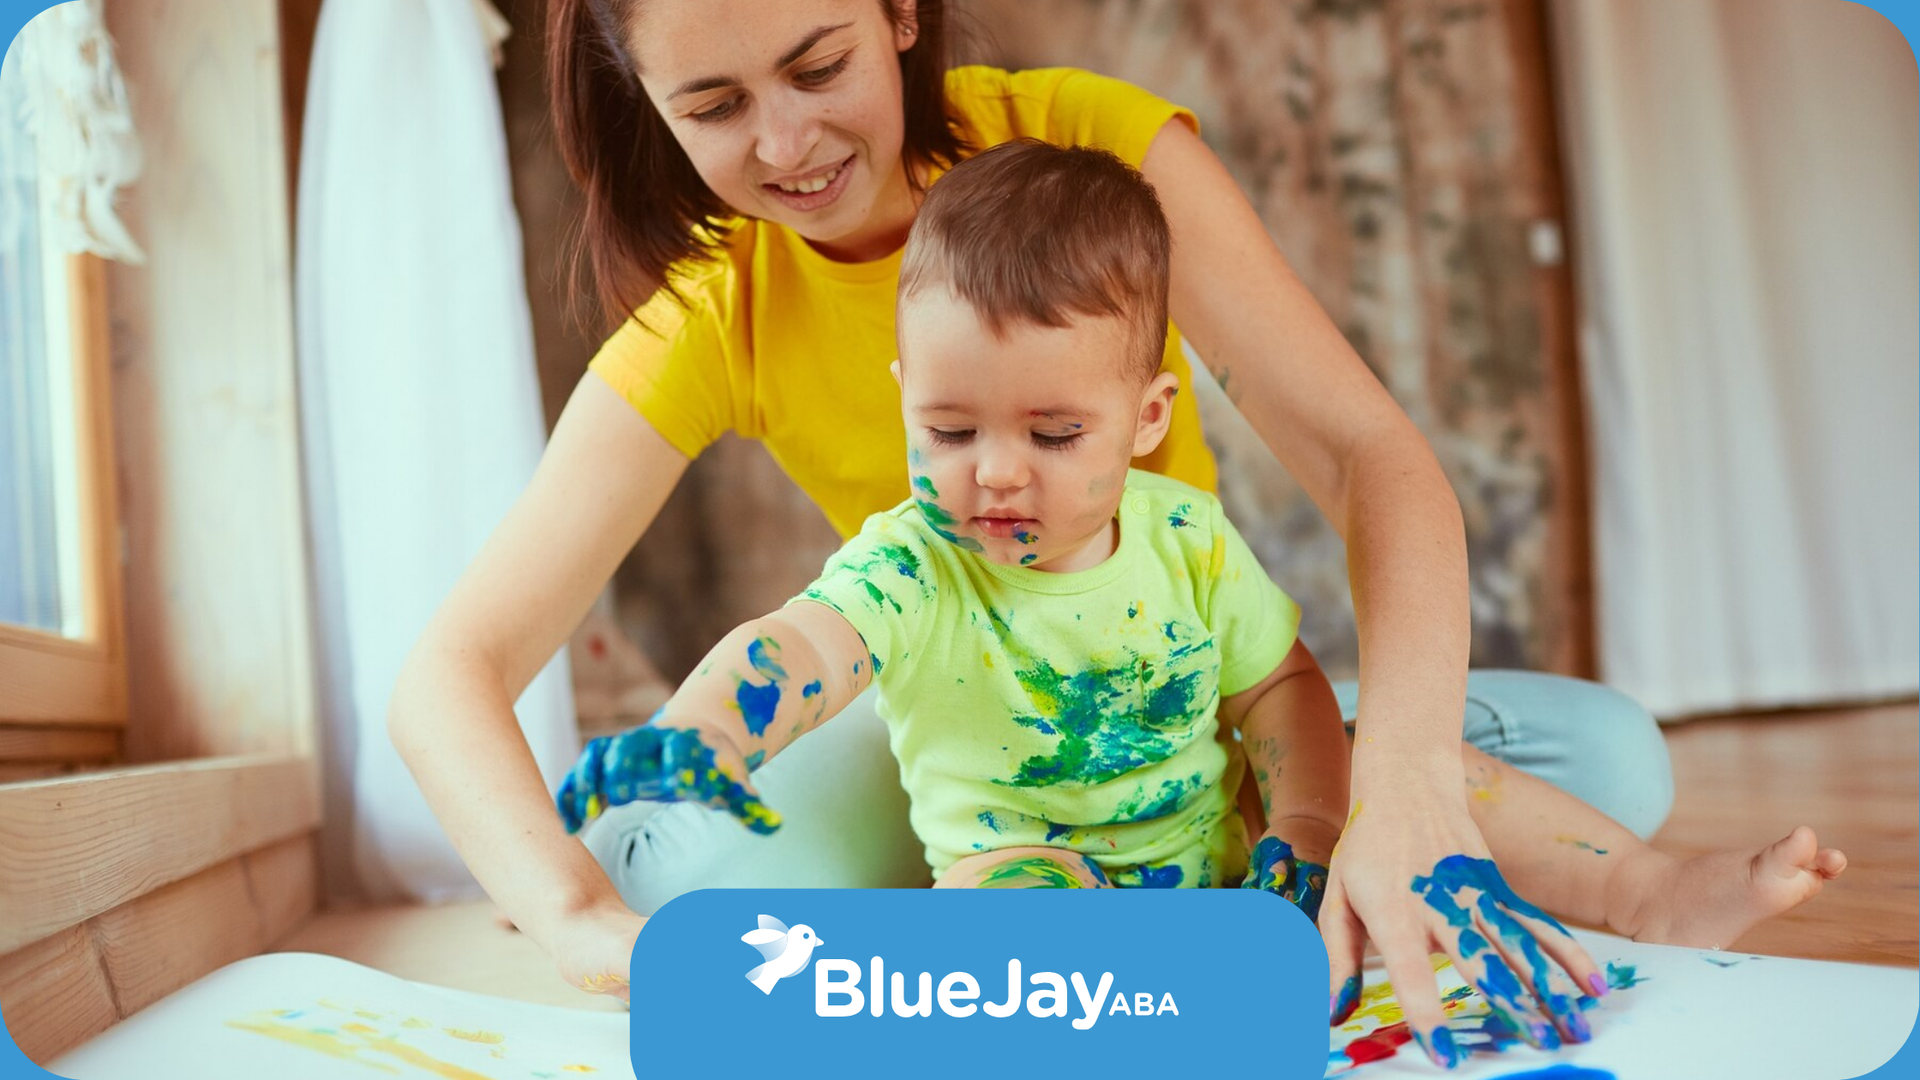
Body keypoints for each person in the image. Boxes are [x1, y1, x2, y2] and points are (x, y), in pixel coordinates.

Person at [388, 0, 1677, 1044]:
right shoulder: (715, 306)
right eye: (715, 108)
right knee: (689, 890)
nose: (784, 146)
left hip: (1169, 697)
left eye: (815, 65)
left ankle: (1205, 837)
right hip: (963, 744)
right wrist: (560, 905)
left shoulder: (1096, 162)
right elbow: (449, 674)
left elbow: (1369, 459)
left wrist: (1391, 800)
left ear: (898, 12)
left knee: (1616, 763)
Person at [553, 142, 1846, 1070]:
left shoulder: (1185, 541)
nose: (993, 470)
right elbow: (801, 647)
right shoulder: (915, 563)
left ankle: (1657, 896)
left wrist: (1304, 821)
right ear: (905, 398)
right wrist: (717, 730)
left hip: (1223, 850)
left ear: (1146, 419)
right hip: (1027, 868)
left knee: (1440, 781)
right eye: (947, 428)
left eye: (1053, 431)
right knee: (1006, 929)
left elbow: (1278, 691)